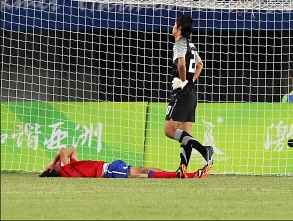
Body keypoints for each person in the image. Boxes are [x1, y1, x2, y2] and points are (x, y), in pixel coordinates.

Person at [164, 14, 213, 177]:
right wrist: (191, 81)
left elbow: (182, 64)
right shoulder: (191, 46)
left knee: (169, 130)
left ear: (179, 28)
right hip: (191, 93)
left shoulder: (179, 44)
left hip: (181, 92)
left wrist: (184, 80)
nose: (172, 27)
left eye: (174, 24)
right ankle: (182, 169)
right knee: (185, 134)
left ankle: (204, 149)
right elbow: (200, 65)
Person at [39, 146, 210, 179]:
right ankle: (183, 175)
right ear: (57, 169)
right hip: (109, 171)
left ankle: (176, 173)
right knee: (141, 174)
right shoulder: (66, 171)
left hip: (110, 167)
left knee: (142, 170)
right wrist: (51, 163)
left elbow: (72, 149)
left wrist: (51, 166)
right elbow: (63, 150)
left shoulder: (70, 168)